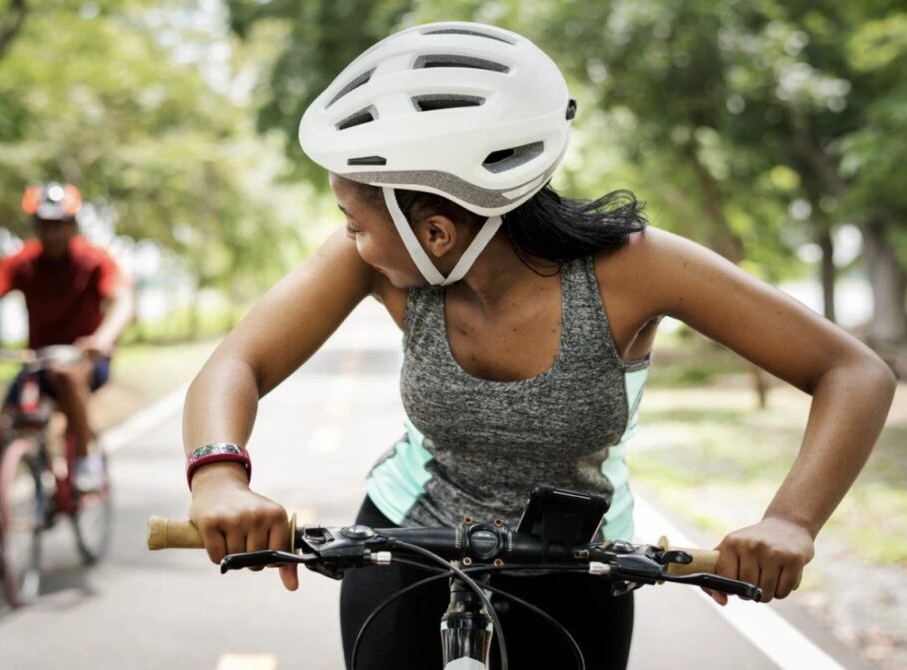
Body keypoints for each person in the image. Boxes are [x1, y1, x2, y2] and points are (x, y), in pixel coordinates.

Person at [181, 22, 896, 669]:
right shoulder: (376, 264)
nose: (350, 239)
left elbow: (852, 372)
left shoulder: (635, 269)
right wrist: (219, 476)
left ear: (436, 232)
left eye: (354, 221)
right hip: (408, 547)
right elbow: (238, 363)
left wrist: (790, 521)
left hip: (579, 562)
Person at [0, 181, 134, 583]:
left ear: (73, 225)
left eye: (60, 224)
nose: (52, 232)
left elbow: (123, 301)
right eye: (45, 224)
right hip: (37, 361)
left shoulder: (95, 260)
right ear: (35, 226)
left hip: (85, 361)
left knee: (65, 374)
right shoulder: (21, 262)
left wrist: (103, 338)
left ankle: (84, 460)